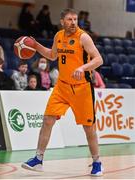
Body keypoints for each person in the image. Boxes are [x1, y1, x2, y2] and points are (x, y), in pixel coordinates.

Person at [21, 8, 103, 176]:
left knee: (89, 128)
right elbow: (52, 56)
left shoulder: (83, 37)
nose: (73, 22)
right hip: (62, 86)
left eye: (75, 19)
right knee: (47, 120)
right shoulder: (59, 36)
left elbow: (99, 59)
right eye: (70, 19)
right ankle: (38, 159)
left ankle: (97, 162)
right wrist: (36, 46)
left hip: (82, 89)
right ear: (62, 22)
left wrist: (83, 67)